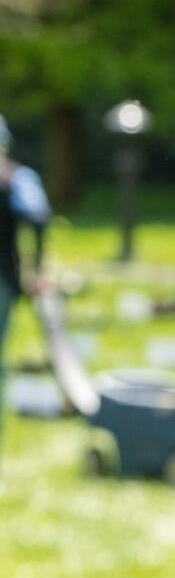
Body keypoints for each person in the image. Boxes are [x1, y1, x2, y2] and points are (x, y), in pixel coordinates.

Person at [0, 113, 52, 459]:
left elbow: (36, 214)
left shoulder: (16, 180)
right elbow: (37, 215)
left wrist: (38, 266)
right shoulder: (18, 178)